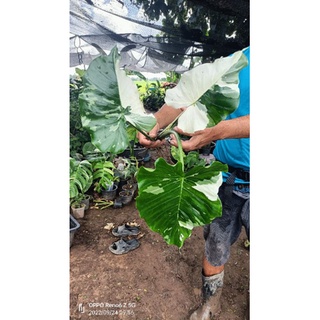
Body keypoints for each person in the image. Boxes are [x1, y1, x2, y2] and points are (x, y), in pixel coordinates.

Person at [138, 46, 250, 320]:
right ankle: (211, 303)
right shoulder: (239, 59)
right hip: (228, 174)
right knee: (216, 243)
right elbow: (188, 95)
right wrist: (153, 125)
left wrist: (216, 131)